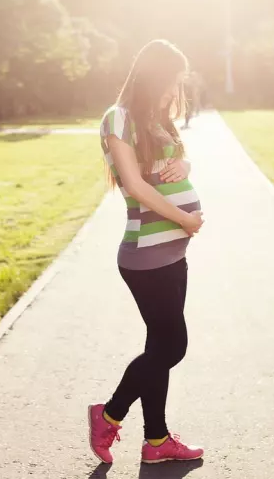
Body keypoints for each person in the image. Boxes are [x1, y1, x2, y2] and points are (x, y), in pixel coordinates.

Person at [88, 39, 205, 465]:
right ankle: (109, 414)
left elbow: (175, 162)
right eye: (171, 81)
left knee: (159, 348)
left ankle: (156, 441)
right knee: (172, 347)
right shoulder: (117, 118)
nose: (175, 90)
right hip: (146, 255)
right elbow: (135, 185)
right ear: (154, 76)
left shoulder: (156, 120)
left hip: (172, 252)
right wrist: (185, 218)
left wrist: (186, 166)